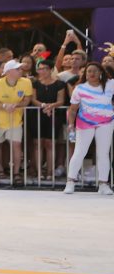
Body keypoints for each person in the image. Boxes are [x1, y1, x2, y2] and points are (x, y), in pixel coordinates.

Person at [64, 61, 114, 194]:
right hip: (85, 123)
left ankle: (103, 184)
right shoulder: (80, 88)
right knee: (80, 152)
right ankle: (70, 182)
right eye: (89, 71)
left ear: (101, 73)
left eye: (95, 71)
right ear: (85, 74)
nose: (92, 73)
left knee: (103, 153)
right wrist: (71, 124)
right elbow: (73, 109)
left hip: (106, 123)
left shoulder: (110, 84)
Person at [0, 60, 32, 185]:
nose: (21, 71)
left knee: (16, 145)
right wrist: (4, 106)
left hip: (15, 120)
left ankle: (16, 173)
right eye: (17, 69)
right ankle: (0, 170)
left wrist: (16, 105)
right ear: (8, 72)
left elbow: (27, 100)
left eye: (20, 68)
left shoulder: (26, 82)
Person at [29, 59, 66, 182]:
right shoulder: (35, 83)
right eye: (40, 69)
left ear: (51, 70)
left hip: (54, 115)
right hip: (37, 115)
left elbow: (61, 100)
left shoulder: (60, 84)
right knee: (37, 143)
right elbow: (33, 99)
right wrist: (44, 106)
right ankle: (39, 172)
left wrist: (51, 106)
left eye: (45, 68)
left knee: (50, 144)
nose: (42, 71)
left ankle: (50, 172)